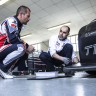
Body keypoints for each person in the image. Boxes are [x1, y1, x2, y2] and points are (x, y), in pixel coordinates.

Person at [0, 5, 34, 79]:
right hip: (1, 48)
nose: (29, 18)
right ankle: (2, 68)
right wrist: (27, 46)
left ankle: (6, 71)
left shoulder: (18, 25)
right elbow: (12, 39)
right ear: (21, 14)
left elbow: (17, 39)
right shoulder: (11, 20)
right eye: (28, 16)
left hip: (3, 50)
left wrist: (26, 48)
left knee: (25, 52)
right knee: (20, 48)